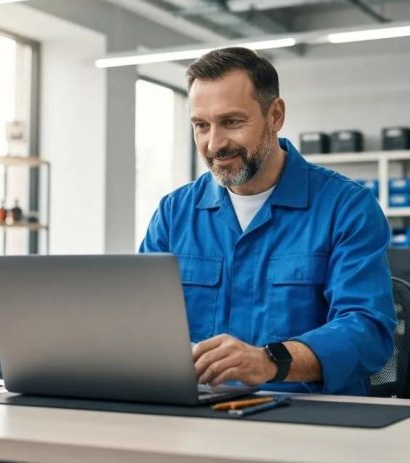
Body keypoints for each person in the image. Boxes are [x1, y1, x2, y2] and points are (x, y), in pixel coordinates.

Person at [139, 47, 396, 396]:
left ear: (275, 115)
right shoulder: (174, 213)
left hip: (310, 423)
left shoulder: (346, 207)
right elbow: (141, 324)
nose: (214, 144)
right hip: (197, 416)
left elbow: (368, 330)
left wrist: (270, 361)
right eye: (201, 126)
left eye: (231, 122)